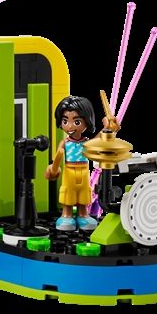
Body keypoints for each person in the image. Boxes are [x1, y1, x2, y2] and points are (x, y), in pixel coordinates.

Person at [45, 95, 102, 230]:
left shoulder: (86, 142)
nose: (70, 126)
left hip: (84, 172)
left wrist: (108, 129)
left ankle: (83, 215)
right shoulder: (65, 143)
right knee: (68, 193)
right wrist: (53, 169)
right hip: (69, 172)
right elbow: (57, 158)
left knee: (84, 194)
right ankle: (66, 215)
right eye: (65, 121)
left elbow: (98, 141)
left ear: (87, 122)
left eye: (76, 122)